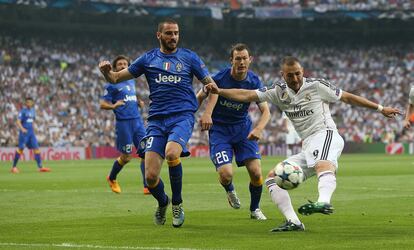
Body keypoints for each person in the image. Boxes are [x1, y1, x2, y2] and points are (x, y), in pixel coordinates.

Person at [205, 56, 401, 232]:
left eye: (298, 74)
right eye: (290, 75)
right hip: (308, 144)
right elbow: (247, 95)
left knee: (323, 164)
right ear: (283, 75)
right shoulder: (277, 91)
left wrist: (380, 108)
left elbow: (348, 97)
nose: (296, 78)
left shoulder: (317, 86)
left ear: (303, 71)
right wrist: (220, 91)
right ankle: (294, 222)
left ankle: (323, 202)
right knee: (273, 178)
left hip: (325, 134)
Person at [98, 18, 217, 228]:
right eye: (169, 33)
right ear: (159, 35)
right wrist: (106, 71)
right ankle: (163, 202)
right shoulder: (148, 59)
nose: (173, 37)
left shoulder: (189, 57)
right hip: (156, 120)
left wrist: (207, 110)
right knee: (151, 177)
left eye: (176, 33)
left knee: (172, 153)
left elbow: (212, 87)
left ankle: (177, 204)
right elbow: (115, 78)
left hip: (181, 117)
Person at [197, 43, 270, 220]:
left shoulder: (254, 81)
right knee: (226, 174)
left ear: (250, 60)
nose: (242, 62)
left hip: (243, 129)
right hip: (220, 130)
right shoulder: (220, 78)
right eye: (238, 58)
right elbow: (210, 95)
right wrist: (206, 113)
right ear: (231, 61)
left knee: (256, 172)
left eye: (245, 58)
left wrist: (259, 128)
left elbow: (266, 111)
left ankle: (255, 209)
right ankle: (229, 190)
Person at [100, 55, 149, 195]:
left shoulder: (131, 81)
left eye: (125, 64)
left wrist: (137, 102)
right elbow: (103, 104)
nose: (123, 66)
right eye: (120, 64)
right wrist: (114, 106)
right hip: (123, 124)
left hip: (137, 122)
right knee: (127, 157)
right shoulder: (111, 84)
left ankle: (147, 186)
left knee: (146, 154)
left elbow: (129, 98)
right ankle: (112, 177)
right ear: (115, 67)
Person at [10, 97, 51, 173]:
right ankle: (14, 167)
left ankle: (40, 167)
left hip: (31, 133)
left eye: (29, 102)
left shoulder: (33, 111)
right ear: (25, 103)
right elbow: (18, 121)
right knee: (21, 149)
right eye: (27, 102)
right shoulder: (23, 111)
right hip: (24, 133)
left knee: (36, 148)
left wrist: (34, 128)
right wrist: (22, 129)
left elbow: (32, 121)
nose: (28, 103)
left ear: (32, 103)